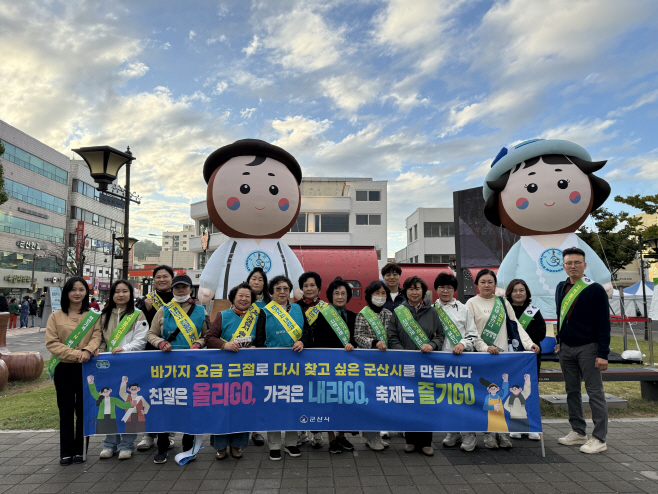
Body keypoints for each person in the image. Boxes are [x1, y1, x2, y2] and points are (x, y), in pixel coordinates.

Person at [482, 139, 613, 320]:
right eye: (531, 187)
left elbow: (593, 262)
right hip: (530, 302)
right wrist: (503, 286)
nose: (549, 200)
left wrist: (603, 280)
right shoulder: (523, 245)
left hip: (579, 296)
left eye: (563, 183)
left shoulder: (575, 242)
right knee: (535, 334)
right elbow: (508, 268)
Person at [197, 139, 306, 306]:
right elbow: (214, 267)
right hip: (230, 302)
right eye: (244, 188)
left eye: (273, 189)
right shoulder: (230, 246)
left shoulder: (280, 247)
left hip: (277, 304)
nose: (260, 202)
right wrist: (208, 285)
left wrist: (298, 285)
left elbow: (295, 269)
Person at [466, 269, 541, 450]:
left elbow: (516, 326)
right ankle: (489, 433)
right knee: (487, 396)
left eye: (490, 282)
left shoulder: (502, 302)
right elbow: (471, 332)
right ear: (477, 284)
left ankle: (502, 431)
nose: (486, 285)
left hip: (502, 357)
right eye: (483, 282)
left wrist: (529, 344)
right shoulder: (471, 303)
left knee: (501, 395)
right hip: (481, 356)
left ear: (495, 284)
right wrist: (484, 347)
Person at [147, 274, 209, 464]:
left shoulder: (200, 311)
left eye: (184, 287)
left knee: (190, 405)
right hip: (167, 364)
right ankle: (163, 446)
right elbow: (151, 333)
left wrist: (199, 343)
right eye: (177, 288)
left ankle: (188, 447)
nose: (180, 290)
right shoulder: (164, 310)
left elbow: (208, 335)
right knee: (166, 405)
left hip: (192, 365)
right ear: (172, 290)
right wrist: (160, 342)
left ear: (191, 289)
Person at [555, 247, 610, 454]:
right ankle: (578, 431)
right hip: (566, 349)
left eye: (577, 262)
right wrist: (560, 340)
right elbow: (561, 317)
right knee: (572, 391)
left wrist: (602, 353)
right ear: (563, 266)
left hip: (589, 348)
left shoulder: (595, 289)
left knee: (595, 392)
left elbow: (603, 323)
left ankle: (599, 437)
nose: (573, 266)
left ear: (585, 266)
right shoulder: (561, 287)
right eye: (569, 263)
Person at [45, 276, 102, 465]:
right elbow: (52, 343)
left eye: (81, 289)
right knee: (66, 410)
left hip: (86, 368)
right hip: (64, 368)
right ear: (66, 292)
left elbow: (97, 336)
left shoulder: (93, 316)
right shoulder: (55, 316)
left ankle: (80, 450)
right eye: (73, 289)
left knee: (83, 410)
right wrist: (76, 354)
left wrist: (87, 350)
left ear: (86, 292)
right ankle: (66, 451)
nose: (77, 293)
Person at [254, 275, 311, 461]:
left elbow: (308, 334)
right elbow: (260, 339)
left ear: (290, 291)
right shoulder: (265, 311)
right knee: (274, 404)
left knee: (294, 402)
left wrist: (303, 341)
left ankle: (292, 443)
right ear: (271, 292)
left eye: (285, 288)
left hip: (296, 366)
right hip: (273, 366)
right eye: (278, 288)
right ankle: (274, 444)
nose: (282, 292)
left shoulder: (298, 309)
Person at [388, 276, 445, 456]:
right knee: (409, 401)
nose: (414, 292)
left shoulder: (432, 312)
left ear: (423, 291)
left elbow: (441, 336)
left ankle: (426, 442)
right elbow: (392, 336)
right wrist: (402, 352)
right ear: (405, 291)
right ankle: (411, 440)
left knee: (426, 401)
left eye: (418, 288)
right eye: (411, 289)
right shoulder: (398, 312)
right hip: (406, 364)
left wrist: (432, 345)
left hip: (427, 363)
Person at [206, 282, 262, 460]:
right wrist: (224, 344)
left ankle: (238, 445)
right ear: (233, 298)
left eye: (248, 296)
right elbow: (209, 338)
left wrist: (257, 347)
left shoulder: (257, 316)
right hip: (223, 371)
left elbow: (263, 338)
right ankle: (221, 446)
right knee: (221, 408)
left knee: (242, 407)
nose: (244, 299)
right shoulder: (223, 315)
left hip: (246, 371)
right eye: (241, 296)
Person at [434, 273, 488, 453]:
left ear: (454, 290)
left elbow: (472, 334)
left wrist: (462, 343)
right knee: (446, 399)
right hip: (440, 362)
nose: (445, 290)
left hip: (461, 361)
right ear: (436, 289)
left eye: (449, 287)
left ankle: (469, 433)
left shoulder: (463, 309)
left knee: (464, 398)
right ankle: (452, 432)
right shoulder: (431, 309)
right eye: (441, 287)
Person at [95, 280, 150, 460]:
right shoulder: (104, 315)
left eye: (125, 291)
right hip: (107, 367)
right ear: (111, 294)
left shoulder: (138, 315)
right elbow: (100, 338)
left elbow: (141, 340)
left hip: (129, 365)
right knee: (108, 405)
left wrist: (124, 349)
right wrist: (99, 349)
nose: (120, 294)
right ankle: (109, 443)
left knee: (129, 406)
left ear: (131, 293)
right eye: (117, 291)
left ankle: (127, 444)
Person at [312, 277, 357, 454]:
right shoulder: (323, 315)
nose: (340, 296)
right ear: (330, 296)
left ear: (348, 296)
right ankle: (331, 437)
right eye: (336, 293)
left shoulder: (353, 316)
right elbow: (318, 341)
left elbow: (356, 337)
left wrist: (352, 344)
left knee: (345, 401)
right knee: (329, 401)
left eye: (343, 293)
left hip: (348, 368)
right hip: (329, 366)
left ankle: (341, 436)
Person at [135, 265, 175, 451]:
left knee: (171, 395)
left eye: (165, 276)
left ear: (172, 279)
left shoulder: (180, 299)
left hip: (173, 353)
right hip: (150, 352)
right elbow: (141, 326)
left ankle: (169, 433)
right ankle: (148, 433)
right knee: (149, 393)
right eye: (158, 277)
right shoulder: (146, 301)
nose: (161, 279)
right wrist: (147, 308)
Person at [354, 280, 393, 451]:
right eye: (377, 293)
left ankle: (377, 435)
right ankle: (370, 437)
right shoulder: (363, 314)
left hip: (385, 364)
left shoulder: (388, 314)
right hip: (368, 363)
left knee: (381, 400)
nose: (380, 296)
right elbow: (358, 336)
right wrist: (374, 342)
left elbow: (393, 335)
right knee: (370, 400)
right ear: (370, 295)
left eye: (383, 293)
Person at [506, 278, 545, 441]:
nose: (518, 293)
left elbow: (541, 333)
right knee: (513, 390)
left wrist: (525, 341)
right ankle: (515, 425)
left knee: (530, 390)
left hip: (530, 356)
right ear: (509, 293)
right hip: (511, 356)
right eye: (515, 290)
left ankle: (532, 426)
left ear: (527, 292)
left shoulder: (533, 310)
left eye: (521, 290)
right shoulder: (505, 310)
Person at [294, 271, 327, 448]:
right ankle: (301, 432)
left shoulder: (326, 308)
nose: (309, 288)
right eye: (305, 285)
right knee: (300, 394)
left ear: (318, 288)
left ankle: (317, 432)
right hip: (299, 356)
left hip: (319, 357)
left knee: (317, 395)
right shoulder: (293, 308)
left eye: (312, 285)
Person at [245, 267, 270, 447]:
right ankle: (240, 428)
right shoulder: (242, 300)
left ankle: (256, 430)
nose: (256, 282)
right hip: (241, 352)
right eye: (254, 278)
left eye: (260, 279)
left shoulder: (270, 304)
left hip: (261, 352)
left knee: (258, 391)